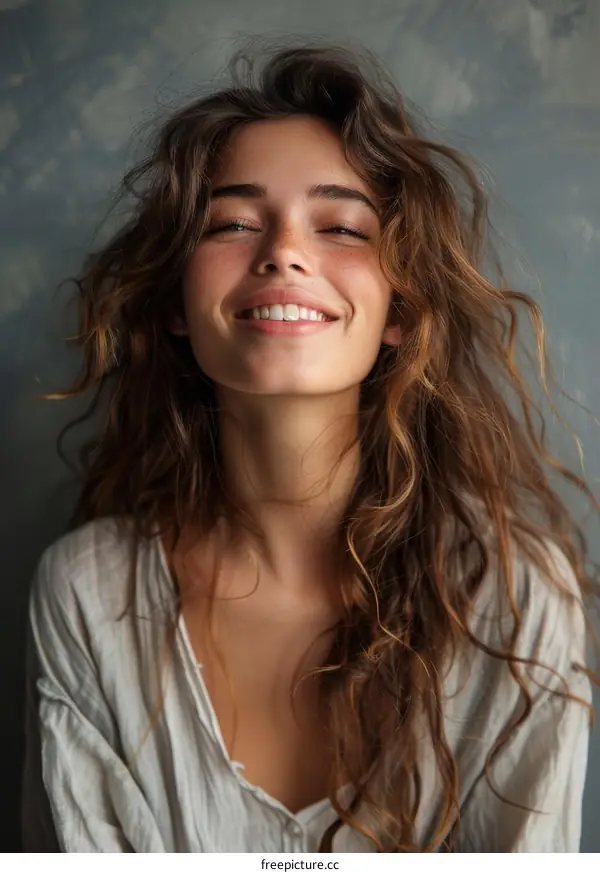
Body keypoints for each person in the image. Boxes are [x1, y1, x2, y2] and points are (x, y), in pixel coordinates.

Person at [21, 42, 598, 853]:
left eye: (341, 226)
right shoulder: (85, 595)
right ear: (178, 302)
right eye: (233, 223)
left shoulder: (515, 597)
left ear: (400, 310)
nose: (284, 252)